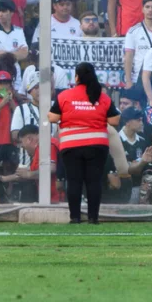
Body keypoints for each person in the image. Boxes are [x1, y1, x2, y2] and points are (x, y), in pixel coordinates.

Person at [48, 61, 120, 224]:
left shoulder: (65, 96)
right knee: (94, 182)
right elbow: (114, 120)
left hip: (71, 146)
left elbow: (52, 117)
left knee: (74, 181)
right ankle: (93, 218)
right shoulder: (102, 97)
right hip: (97, 146)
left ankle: (75, 218)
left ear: (77, 77)